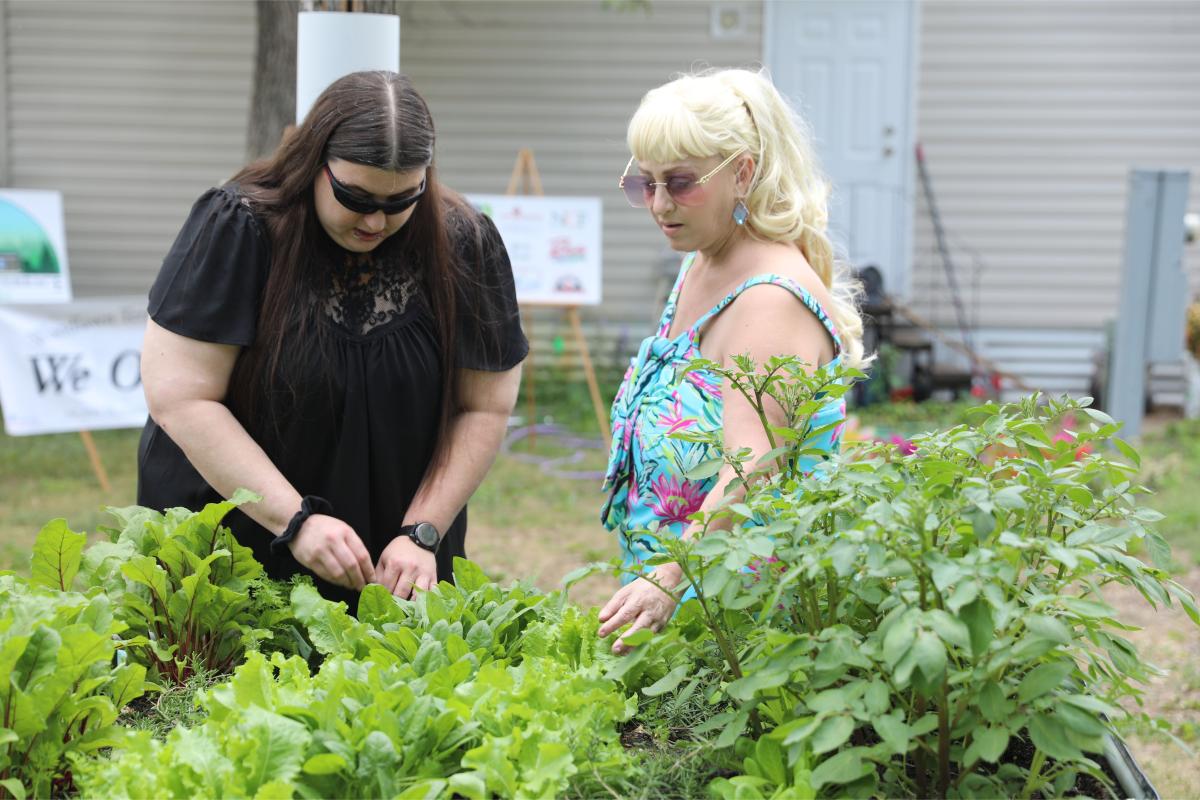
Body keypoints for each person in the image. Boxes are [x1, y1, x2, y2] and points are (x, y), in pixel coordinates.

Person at [137, 71, 527, 607]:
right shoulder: (239, 226)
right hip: (238, 530)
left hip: (398, 550)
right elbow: (180, 396)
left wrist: (423, 533)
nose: (375, 220)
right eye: (355, 196)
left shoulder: (464, 243)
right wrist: (295, 520)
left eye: (400, 200)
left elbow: (484, 407)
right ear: (314, 163)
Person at [596, 68, 868, 654]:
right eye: (644, 184)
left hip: (743, 629)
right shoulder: (703, 259)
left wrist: (673, 573)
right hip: (680, 610)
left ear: (741, 173)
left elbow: (755, 465)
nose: (659, 205)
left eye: (681, 183)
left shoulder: (769, 300)